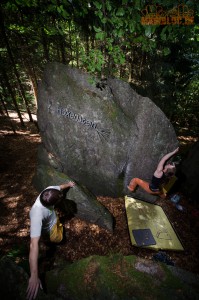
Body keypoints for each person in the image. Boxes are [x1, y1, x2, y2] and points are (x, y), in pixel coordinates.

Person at [26, 181, 75, 300]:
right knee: (59, 238)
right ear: (50, 204)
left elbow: (60, 187)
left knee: (59, 226)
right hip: (48, 229)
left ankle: (58, 229)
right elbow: (33, 245)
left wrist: (69, 184)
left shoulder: (49, 191)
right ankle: (52, 241)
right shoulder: (37, 215)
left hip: (54, 219)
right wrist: (34, 275)